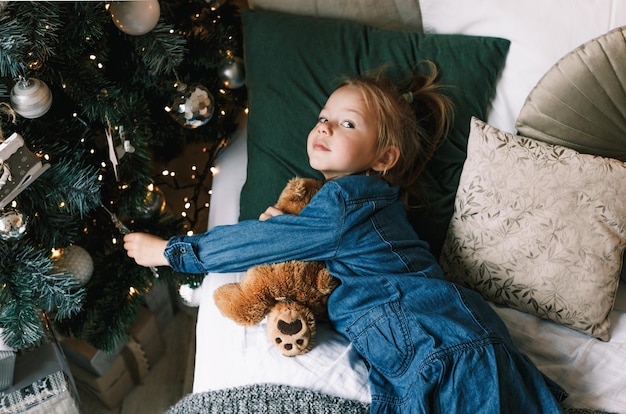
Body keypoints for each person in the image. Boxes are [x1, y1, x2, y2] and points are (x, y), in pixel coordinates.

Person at [124, 63, 567, 413]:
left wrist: (171, 251)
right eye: (323, 118)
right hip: (445, 341)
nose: (325, 127)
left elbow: (260, 242)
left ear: (384, 158)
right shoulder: (357, 204)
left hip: (444, 346)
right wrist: (292, 226)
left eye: (347, 124)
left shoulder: (346, 201)